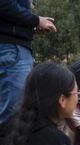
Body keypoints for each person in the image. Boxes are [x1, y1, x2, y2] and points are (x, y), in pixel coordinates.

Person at [0, 0, 56, 132]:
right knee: (13, 115)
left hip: (12, 47)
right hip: (11, 49)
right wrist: (35, 20)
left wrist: (29, 28)